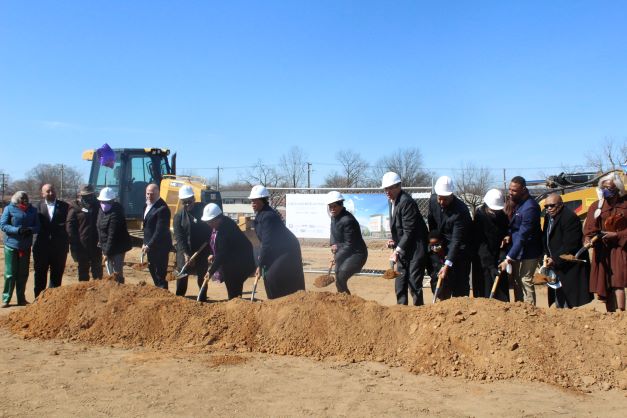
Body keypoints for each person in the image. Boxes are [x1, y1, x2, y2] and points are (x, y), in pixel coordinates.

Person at [249, 185, 305, 299]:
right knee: (267, 275)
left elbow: (267, 243)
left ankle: (283, 301)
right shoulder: (260, 215)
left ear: (263, 200)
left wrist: (260, 265)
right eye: (252, 201)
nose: (252, 203)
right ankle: (274, 302)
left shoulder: (268, 216)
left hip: (287, 250)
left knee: (272, 276)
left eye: (255, 200)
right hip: (276, 249)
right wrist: (261, 261)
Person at [382, 172, 429, 306]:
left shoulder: (407, 202)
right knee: (400, 281)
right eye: (385, 189)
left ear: (399, 186)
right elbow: (399, 227)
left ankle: (418, 311)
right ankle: (401, 310)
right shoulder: (391, 201)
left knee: (414, 282)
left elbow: (409, 231)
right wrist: (393, 240)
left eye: (390, 188)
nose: (387, 191)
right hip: (404, 247)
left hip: (416, 247)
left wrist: (396, 251)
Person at [583, 172, 626, 311]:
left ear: (617, 189)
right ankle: (610, 314)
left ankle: (621, 313)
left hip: (620, 248)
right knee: (605, 281)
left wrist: (617, 235)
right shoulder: (596, 206)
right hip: (602, 248)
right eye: (604, 187)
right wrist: (588, 239)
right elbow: (589, 228)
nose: (606, 190)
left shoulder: (625, 205)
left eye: (610, 188)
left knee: (618, 281)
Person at [499, 176, 543, 305]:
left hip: (530, 250)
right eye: (510, 189)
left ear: (524, 190)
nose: (510, 193)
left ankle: (529, 310)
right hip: (518, 249)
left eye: (514, 190)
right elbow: (516, 228)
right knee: (517, 279)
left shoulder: (530, 207)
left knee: (525, 279)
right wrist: (509, 236)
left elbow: (523, 235)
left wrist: (508, 258)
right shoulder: (519, 204)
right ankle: (519, 309)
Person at [543, 193, 592, 308]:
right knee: (557, 296)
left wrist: (554, 259)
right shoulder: (548, 217)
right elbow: (545, 238)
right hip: (554, 263)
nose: (549, 208)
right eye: (546, 206)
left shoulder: (569, 218)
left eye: (552, 205)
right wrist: (545, 254)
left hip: (568, 265)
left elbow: (570, 245)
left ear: (561, 205)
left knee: (568, 300)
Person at [428, 175, 472, 297]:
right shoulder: (432, 201)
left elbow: (456, 240)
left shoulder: (460, 210)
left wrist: (448, 263)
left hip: (461, 250)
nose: (441, 202)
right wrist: (435, 243)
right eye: (439, 198)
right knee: (441, 282)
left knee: (460, 285)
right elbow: (432, 224)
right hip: (443, 245)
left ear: (452, 195)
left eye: (445, 199)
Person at [201, 203, 255, 299]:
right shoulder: (220, 224)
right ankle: (235, 301)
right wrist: (211, 254)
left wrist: (210, 271)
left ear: (218, 219)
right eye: (207, 222)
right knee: (232, 284)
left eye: (210, 222)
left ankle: (235, 304)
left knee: (234, 286)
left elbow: (222, 253)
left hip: (241, 261)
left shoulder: (226, 229)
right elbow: (215, 243)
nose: (208, 224)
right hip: (232, 259)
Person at [1, 191, 40, 307]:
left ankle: (21, 299)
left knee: (23, 273)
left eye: (25, 199)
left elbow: (38, 226)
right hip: (11, 246)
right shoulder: (9, 209)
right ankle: (6, 299)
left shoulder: (33, 210)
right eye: (21, 199)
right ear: (16, 200)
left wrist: (30, 230)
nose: (23, 201)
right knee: (10, 273)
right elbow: (3, 225)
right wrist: (17, 230)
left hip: (25, 246)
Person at [173, 185, 211, 301]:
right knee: (182, 274)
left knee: (202, 275)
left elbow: (209, 227)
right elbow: (179, 237)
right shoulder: (178, 216)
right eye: (184, 202)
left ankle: (203, 299)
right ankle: (180, 298)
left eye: (189, 201)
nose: (187, 204)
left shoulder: (203, 210)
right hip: (184, 249)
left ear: (194, 199)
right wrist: (186, 254)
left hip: (202, 248)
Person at [472, 188, 510, 301]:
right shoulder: (479, 218)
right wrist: (490, 266)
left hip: (498, 258)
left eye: (497, 210)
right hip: (482, 260)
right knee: (485, 290)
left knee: (501, 292)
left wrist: (502, 257)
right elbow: (481, 245)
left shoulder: (502, 217)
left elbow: (505, 236)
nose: (495, 213)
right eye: (492, 210)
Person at [327, 191, 368, 295]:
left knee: (341, 276)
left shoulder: (348, 220)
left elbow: (350, 244)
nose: (332, 209)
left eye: (334, 206)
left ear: (341, 205)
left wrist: (336, 257)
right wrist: (333, 244)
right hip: (344, 251)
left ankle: (348, 303)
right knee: (338, 278)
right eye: (330, 206)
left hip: (357, 254)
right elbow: (333, 232)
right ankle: (343, 301)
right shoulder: (334, 217)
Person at [33, 184, 70, 298]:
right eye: (48, 191)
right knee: (40, 274)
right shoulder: (36, 207)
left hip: (59, 247)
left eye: (52, 190)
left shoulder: (65, 206)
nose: (51, 193)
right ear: (42, 193)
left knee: (57, 274)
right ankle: (38, 299)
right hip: (41, 247)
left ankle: (53, 300)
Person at [66, 184, 103, 281]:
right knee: (83, 271)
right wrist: (73, 243)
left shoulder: (98, 206)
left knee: (98, 271)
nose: (89, 197)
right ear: (81, 196)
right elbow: (70, 227)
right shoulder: (75, 207)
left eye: (91, 195)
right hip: (82, 245)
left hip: (96, 244)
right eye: (86, 196)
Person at [96, 187, 132, 283]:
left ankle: (119, 289)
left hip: (118, 246)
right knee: (109, 271)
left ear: (113, 201)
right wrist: (103, 247)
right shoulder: (101, 211)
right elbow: (99, 227)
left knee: (117, 272)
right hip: (106, 245)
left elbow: (112, 234)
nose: (104, 204)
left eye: (107, 202)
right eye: (102, 201)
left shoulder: (117, 212)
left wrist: (106, 252)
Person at [142, 184, 172, 289]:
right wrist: (144, 243)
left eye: (152, 194)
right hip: (150, 246)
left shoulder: (162, 209)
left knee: (160, 273)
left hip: (160, 247)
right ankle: (159, 289)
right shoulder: (147, 205)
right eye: (147, 193)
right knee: (152, 269)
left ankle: (163, 293)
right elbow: (147, 227)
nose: (149, 196)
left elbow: (160, 231)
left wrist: (148, 245)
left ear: (158, 193)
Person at [427, 230, 451, 301]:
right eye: (432, 244)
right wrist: (436, 275)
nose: (434, 246)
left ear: (441, 241)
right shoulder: (429, 255)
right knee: (439, 297)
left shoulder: (448, 252)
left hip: (448, 280)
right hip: (436, 281)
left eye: (436, 244)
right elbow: (430, 269)